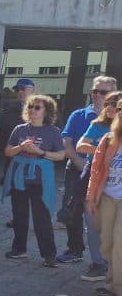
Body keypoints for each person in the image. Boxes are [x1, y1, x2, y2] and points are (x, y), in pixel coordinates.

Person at [58, 76, 117, 267]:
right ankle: (75, 250)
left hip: (109, 174)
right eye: (95, 91)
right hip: (78, 170)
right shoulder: (79, 115)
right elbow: (67, 141)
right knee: (72, 210)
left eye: (103, 92)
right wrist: (77, 160)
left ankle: (106, 259)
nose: (98, 95)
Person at [4, 94, 66, 268]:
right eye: (30, 106)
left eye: (37, 107)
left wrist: (40, 152)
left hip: (41, 180)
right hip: (20, 178)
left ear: (46, 111)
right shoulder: (20, 129)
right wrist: (21, 147)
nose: (32, 110)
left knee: (42, 219)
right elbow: (8, 151)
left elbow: (61, 155)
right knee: (20, 216)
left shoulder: (53, 131)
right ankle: (19, 249)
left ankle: (49, 255)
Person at [73, 89, 122, 283]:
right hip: (94, 178)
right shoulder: (99, 126)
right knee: (93, 224)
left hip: (115, 185)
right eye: (108, 103)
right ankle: (99, 264)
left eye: (115, 104)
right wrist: (104, 151)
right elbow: (80, 146)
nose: (110, 107)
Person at [84, 110, 122, 296]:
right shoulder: (108, 139)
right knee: (107, 243)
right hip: (107, 197)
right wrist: (91, 198)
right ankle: (111, 281)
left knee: (120, 242)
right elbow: (96, 171)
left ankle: (118, 285)